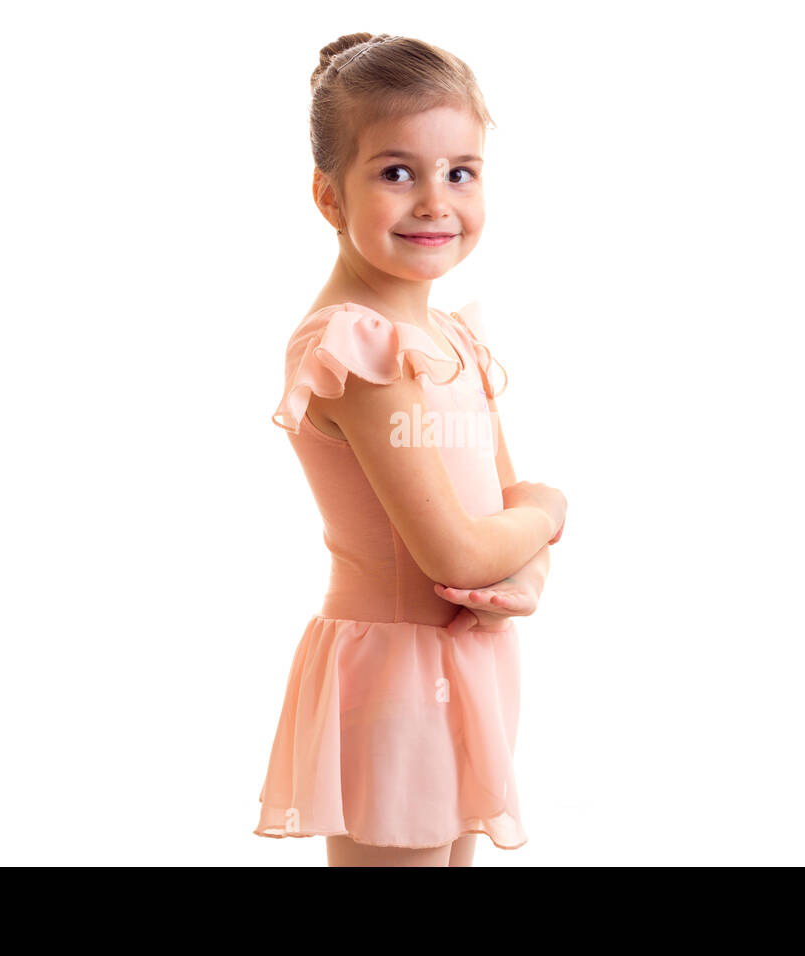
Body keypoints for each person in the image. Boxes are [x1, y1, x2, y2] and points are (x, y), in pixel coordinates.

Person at [253, 32, 568, 867]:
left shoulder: (449, 334)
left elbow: (500, 518)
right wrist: (554, 512)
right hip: (394, 681)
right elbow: (459, 547)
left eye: (460, 171)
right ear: (329, 196)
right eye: (397, 173)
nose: (435, 201)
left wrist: (527, 573)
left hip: (470, 664)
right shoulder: (358, 350)